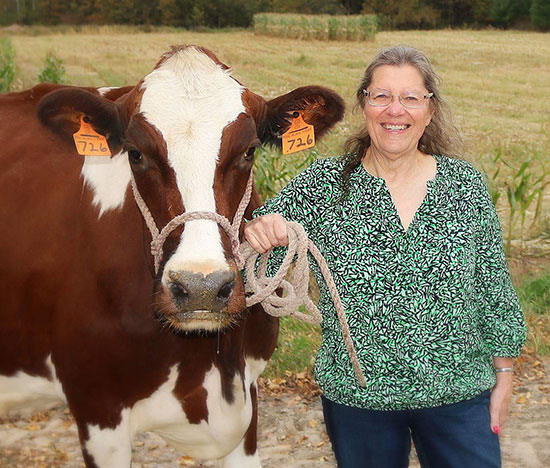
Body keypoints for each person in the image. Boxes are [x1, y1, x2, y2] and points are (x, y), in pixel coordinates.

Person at [244, 45, 526, 468]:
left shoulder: (464, 186)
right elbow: (253, 251)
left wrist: (504, 374)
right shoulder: (323, 185)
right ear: (364, 106)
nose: (395, 110)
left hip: (460, 396)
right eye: (381, 96)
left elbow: (493, 286)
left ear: (429, 111)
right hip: (359, 402)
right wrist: (262, 230)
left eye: (411, 97)